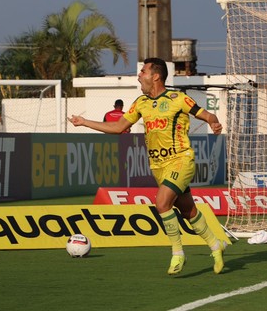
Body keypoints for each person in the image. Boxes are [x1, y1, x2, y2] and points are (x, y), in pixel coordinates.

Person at [69, 57, 227, 275]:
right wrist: (84, 122)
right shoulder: (141, 103)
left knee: (162, 203)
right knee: (188, 210)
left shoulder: (177, 98)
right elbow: (118, 127)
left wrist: (214, 122)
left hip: (181, 159)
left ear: (156, 76)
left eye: (143, 71)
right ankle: (216, 246)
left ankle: (177, 253)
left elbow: (207, 114)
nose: (139, 75)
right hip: (158, 166)